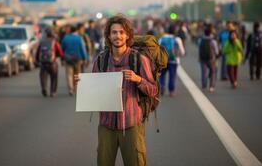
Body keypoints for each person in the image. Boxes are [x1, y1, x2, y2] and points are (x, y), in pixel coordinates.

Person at [77, 15, 158, 166]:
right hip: (106, 125)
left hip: (132, 124)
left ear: (127, 35)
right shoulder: (101, 61)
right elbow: (94, 93)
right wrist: (83, 85)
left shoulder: (138, 59)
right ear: (108, 36)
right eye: (114, 32)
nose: (118, 36)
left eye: (121, 32)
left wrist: (138, 79)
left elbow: (154, 90)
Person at [158, 24, 185, 97]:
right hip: (174, 60)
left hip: (163, 60)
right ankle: (171, 91)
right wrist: (180, 54)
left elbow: (158, 49)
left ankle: (161, 88)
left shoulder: (162, 39)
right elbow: (182, 51)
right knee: (172, 76)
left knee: (162, 75)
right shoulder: (177, 39)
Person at [35, 28, 63, 97]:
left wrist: (37, 61)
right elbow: (60, 53)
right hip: (52, 63)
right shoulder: (54, 42)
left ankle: (44, 88)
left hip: (43, 63)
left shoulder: (42, 42)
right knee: (54, 77)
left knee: (43, 77)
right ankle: (52, 92)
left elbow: (38, 53)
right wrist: (58, 56)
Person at [62, 26, 88, 96]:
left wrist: (62, 59)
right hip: (78, 59)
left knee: (69, 75)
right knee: (77, 74)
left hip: (68, 59)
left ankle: (71, 89)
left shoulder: (65, 38)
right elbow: (83, 49)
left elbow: (63, 49)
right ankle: (76, 88)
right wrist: (85, 58)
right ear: (76, 31)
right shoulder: (79, 38)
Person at [198, 24, 219, 92]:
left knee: (204, 72)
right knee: (213, 72)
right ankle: (211, 87)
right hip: (211, 59)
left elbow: (199, 49)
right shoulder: (213, 41)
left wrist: (199, 57)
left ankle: (204, 84)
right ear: (210, 33)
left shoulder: (201, 40)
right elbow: (216, 52)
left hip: (202, 58)